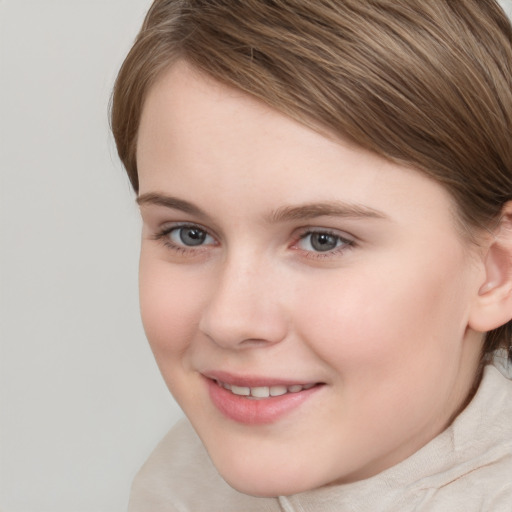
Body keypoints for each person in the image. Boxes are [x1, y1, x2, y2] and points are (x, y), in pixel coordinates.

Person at [111, 1, 512, 510]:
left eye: (323, 240)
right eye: (190, 234)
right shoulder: (176, 486)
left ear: (496, 272)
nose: (230, 321)